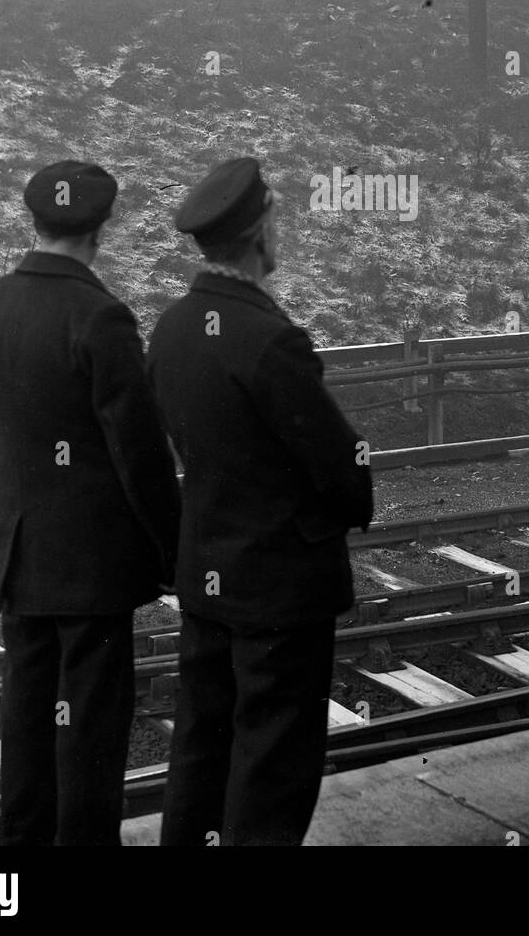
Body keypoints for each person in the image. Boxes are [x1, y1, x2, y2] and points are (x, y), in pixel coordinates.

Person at [0, 160, 180, 847]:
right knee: (88, 726)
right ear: (100, 229)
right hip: (95, 566)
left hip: (24, 553)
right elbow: (139, 454)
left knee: (27, 714)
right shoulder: (100, 316)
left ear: (36, 220)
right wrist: (172, 550)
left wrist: (16, 507)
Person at [148, 157, 373, 846]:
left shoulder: (173, 328)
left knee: (203, 744)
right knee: (272, 760)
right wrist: (349, 502)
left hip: (209, 570)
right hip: (280, 586)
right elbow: (339, 465)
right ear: (257, 234)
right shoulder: (271, 339)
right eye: (275, 220)